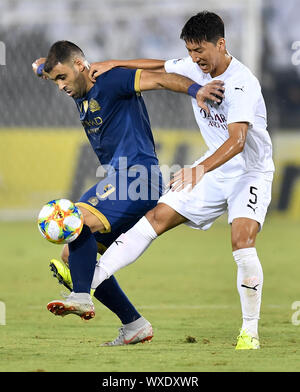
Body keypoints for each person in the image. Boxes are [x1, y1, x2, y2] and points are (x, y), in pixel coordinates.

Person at [87, 11, 275, 350]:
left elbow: (238, 141)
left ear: (221, 43)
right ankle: (87, 285)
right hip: (214, 168)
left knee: (242, 239)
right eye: (190, 51)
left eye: (200, 50)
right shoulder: (194, 68)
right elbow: (158, 67)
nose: (195, 58)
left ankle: (250, 332)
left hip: (249, 171)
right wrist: (115, 63)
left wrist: (199, 170)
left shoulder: (241, 82)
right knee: (156, 218)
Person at [32, 40, 224, 346]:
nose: (60, 86)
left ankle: (81, 295)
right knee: (73, 256)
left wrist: (195, 91)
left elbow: (161, 78)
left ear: (80, 66)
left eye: (63, 78)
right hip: (120, 179)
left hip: (137, 176)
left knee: (75, 217)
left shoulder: (110, 80)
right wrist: (42, 67)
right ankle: (134, 324)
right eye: (55, 80)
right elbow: (45, 67)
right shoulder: (75, 82)